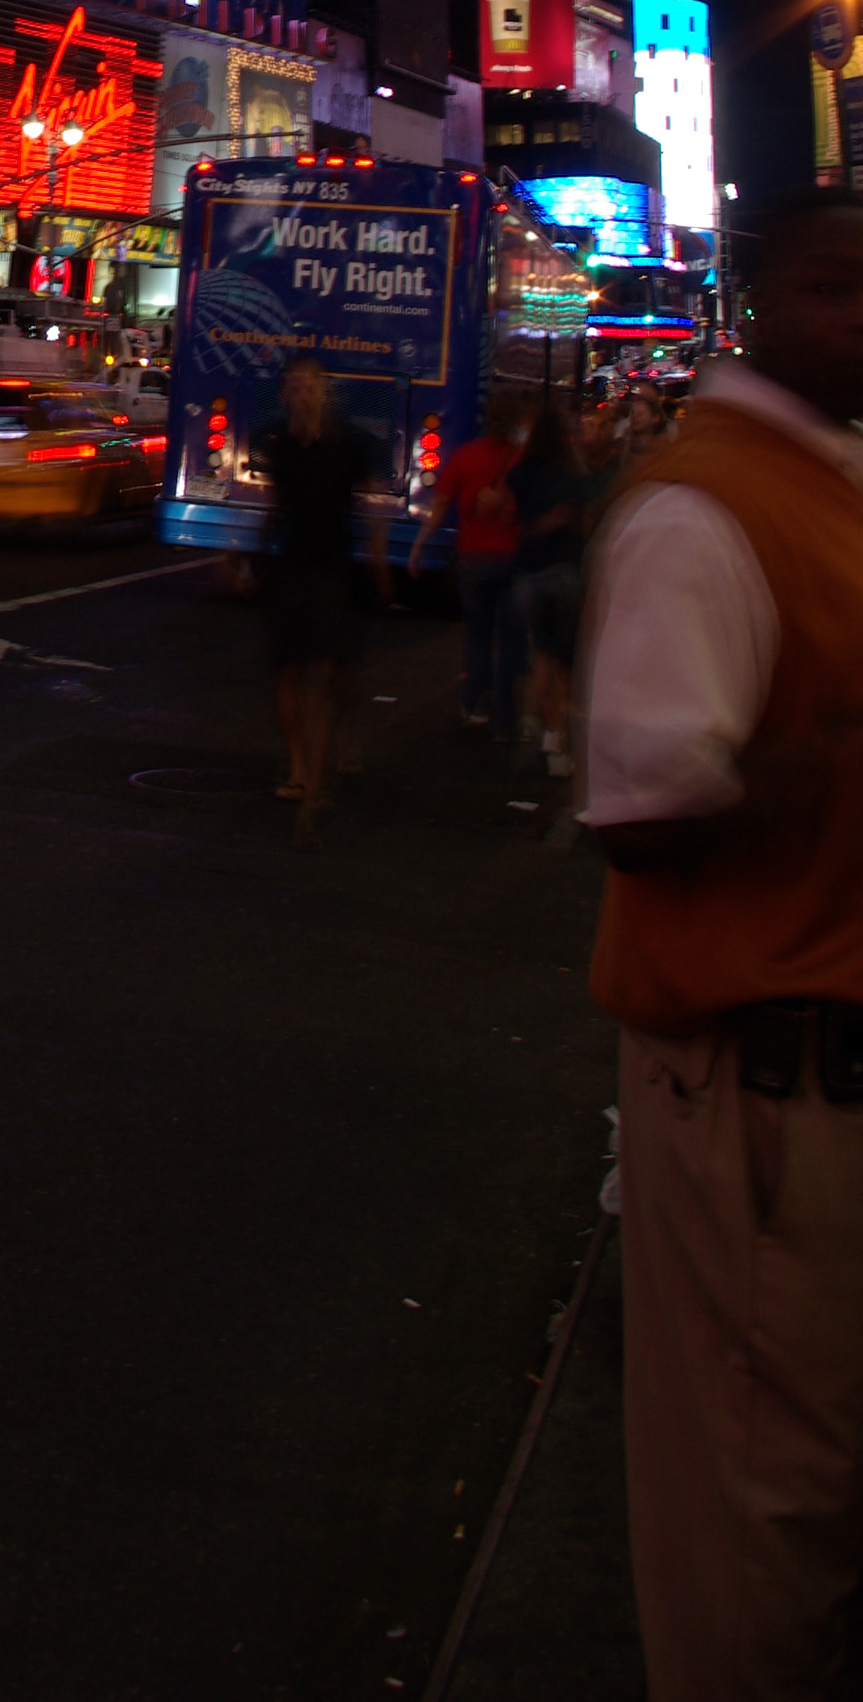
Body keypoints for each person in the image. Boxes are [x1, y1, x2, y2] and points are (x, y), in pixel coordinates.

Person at [582, 188, 863, 1702]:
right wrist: (824, 752)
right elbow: (639, 802)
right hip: (768, 1112)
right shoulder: (707, 502)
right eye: (837, 286)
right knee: (764, 1534)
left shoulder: (825, 479)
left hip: (816, 1096)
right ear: (760, 302)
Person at [259, 355, 391, 841]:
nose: (301, 395)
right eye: (293, 387)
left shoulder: (349, 443)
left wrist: (378, 563)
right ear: (285, 396)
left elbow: (372, 501)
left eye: (309, 387)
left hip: (334, 568)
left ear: (322, 392)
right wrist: (247, 555)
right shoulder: (280, 444)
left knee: (329, 676)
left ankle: (318, 776)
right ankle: (301, 772)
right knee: (291, 672)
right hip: (292, 567)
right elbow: (275, 504)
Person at [407, 386, 528, 732]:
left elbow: (442, 504)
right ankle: (508, 717)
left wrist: (419, 545)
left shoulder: (466, 456)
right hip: (512, 558)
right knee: (509, 637)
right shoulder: (521, 460)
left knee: (477, 634)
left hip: (474, 559)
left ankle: (475, 704)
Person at [506, 401, 585, 775]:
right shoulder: (570, 474)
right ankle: (560, 742)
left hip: (529, 573)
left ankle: (544, 728)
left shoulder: (520, 473)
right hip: (564, 571)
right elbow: (582, 515)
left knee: (541, 655)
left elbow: (511, 509)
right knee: (565, 663)